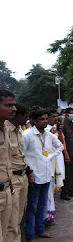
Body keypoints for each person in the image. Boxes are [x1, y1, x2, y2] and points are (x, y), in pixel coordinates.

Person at [23, 109, 64, 241]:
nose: (45, 121)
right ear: (34, 121)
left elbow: (60, 146)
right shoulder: (27, 135)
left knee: (42, 205)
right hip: (34, 177)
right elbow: (20, 156)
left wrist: (50, 157)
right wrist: (29, 173)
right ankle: (30, 235)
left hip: (46, 175)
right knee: (32, 207)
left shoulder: (48, 134)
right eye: (42, 119)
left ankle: (40, 230)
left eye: (46, 119)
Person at [5, 103, 32, 242]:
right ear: (19, 116)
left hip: (22, 177)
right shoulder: (6, 131)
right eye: (26, 116)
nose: (27, 119)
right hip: (12, 179)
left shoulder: (18, 130)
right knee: (12, 221)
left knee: (19, 217)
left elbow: (21, 155)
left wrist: (28, 173)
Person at [0, 89, 16, 242]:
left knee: (7, 234)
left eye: (14, 105)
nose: (14, 109)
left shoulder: (5, 128)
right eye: (8, 105)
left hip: (6, 190)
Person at [61, 107, 73, 200]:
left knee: (72, 173)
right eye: (72, 113)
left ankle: (71, 190)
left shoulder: (71, 123)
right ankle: (65, 192)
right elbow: (62, 140)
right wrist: (66, 153)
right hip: (68, 152)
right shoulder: (63, 125)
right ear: (67, 114)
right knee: (67, 174)